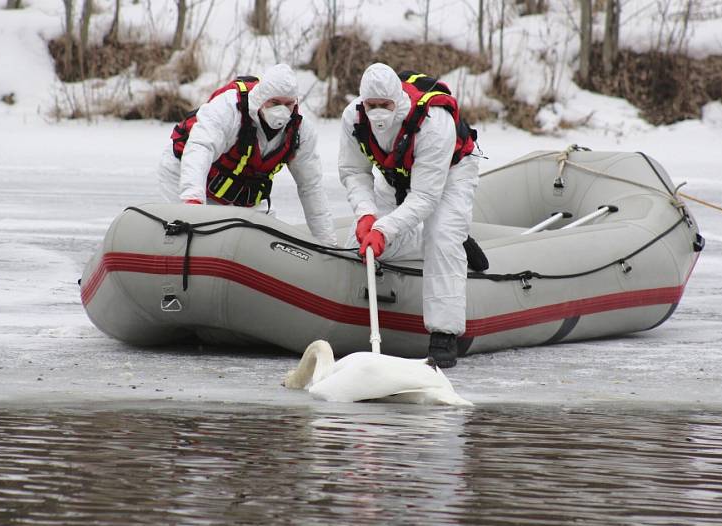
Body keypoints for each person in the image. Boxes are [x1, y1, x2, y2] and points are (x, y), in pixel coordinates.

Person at [338, 63, 480, 368]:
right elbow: (354, 171)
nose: (377, 112)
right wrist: (367, 216)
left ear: (397, 100)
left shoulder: (433, 121)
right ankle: (457, 239)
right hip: (396, 175)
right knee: (359, 242)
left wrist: (385, 228)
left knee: (441, 236)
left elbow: (427, 196)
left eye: (384, 106)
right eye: (371, 105)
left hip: (452, 171)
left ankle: (444, 334)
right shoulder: (353, 118)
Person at [156, 63, 337, 246]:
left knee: (267, 247)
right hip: (186, 176)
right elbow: (200, 149)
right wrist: (193, 204)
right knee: (195, 241)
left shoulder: (300, 131)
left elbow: (310, 187)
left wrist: (327, 243)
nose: (282, 111)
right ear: (261, 98)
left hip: (243, 196)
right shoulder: (229, 108)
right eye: (274, 103)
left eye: (288, 104)